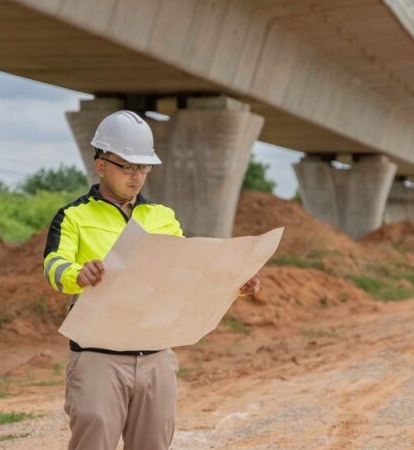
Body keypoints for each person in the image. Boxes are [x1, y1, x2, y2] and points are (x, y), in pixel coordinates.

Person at [42, 110, 260, 450]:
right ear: (101, 165)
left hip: (156, 353)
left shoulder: (162, 217)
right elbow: (53, 265)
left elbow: (188, 269)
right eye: (127, 166)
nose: (137, 176)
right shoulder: (74, 216)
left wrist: (235, 282)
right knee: (93, 438)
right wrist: (77, 274)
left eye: (143, 167)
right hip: (99, 354)